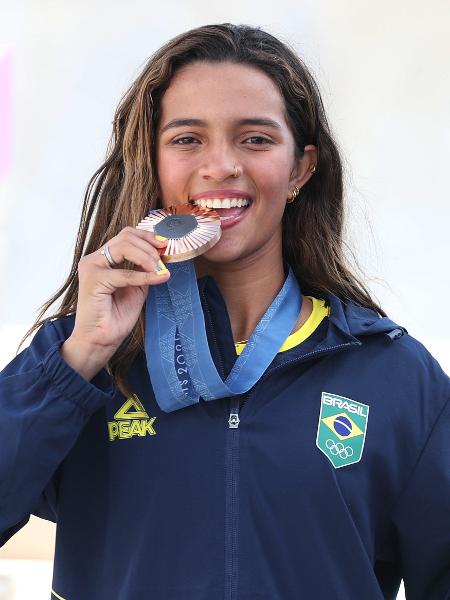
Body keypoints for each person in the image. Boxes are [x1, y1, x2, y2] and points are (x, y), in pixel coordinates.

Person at [0, 22, 449, 600]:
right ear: (154, 160)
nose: (221, 166)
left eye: (256, 140)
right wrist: (79, 357)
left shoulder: (394, 375)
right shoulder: (83, 360)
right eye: (187, 140)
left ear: (301, 168)